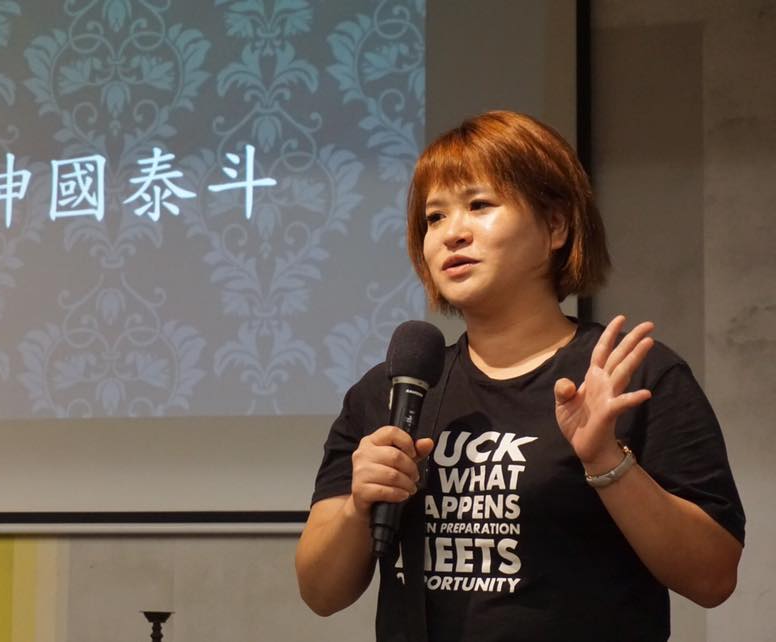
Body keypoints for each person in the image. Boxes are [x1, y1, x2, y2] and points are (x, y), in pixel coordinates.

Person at [295, 111, 744, 642]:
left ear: (555, 226)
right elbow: (320, 594)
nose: (451, 234)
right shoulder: (392, 390)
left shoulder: (629, 374)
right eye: (434, 217)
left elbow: (713, 577)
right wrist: (358, 504)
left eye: (479, 205)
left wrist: (606, 461)